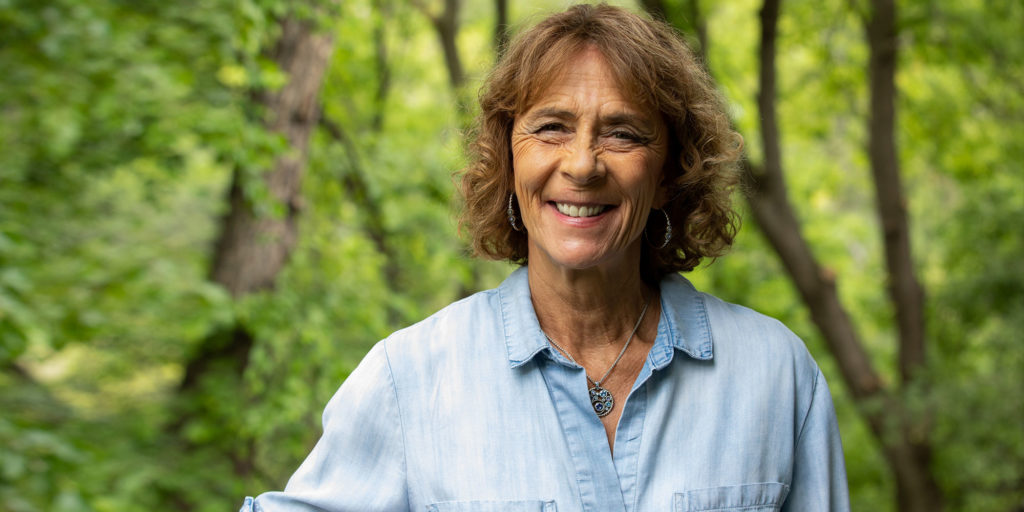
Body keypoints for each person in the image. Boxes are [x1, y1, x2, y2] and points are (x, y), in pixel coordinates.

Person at [241, 4, 849, 511]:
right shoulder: (410, 380)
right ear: (509, 162)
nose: (582, 164)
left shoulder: (776, 375)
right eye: (551, 127)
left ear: (669, 172)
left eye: (623, 133)